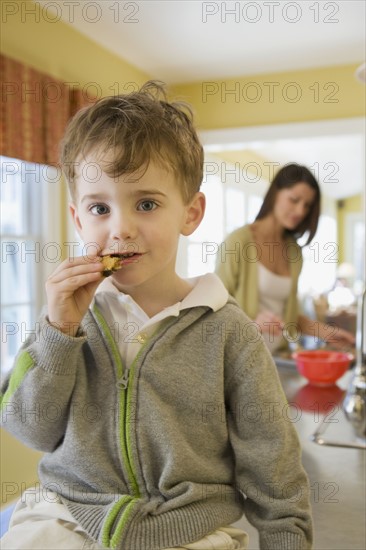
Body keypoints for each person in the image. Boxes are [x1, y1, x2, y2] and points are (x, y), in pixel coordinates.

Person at [1, 83, 313, 550]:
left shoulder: (229, 333)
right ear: (78, 218)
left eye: (146, 204)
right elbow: (29, 428)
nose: (120, 227)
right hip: (66, 514)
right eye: (99, 208)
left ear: (190, 213)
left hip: (189, 529)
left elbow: (275, 462)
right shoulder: (65, 320)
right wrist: (58, 332)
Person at [216, 163, 356, 354]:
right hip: (241, 357)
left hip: (279, 358)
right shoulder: (238, 242)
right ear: (275, 193)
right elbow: (216, 310)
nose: (300, 211)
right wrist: (252, 324)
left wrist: (327, 332)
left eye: (307, 205)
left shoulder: (294, 252)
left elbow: (289, 317)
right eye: (294, 200)